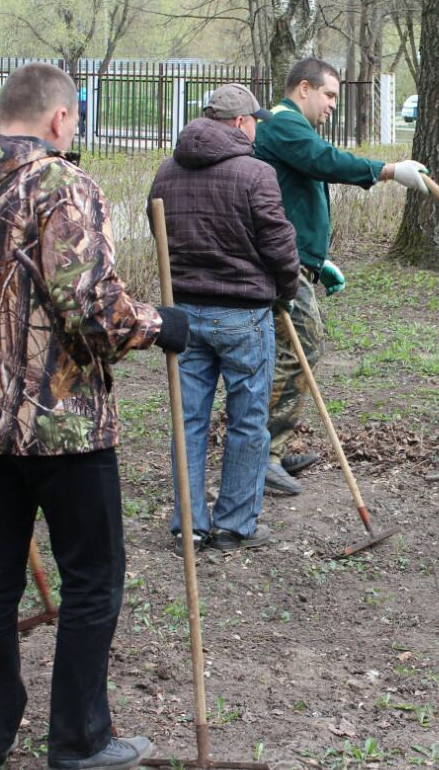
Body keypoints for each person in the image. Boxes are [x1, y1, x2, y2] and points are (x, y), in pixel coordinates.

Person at [0, 62, 188, 770]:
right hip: (64, 428)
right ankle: (79, 738)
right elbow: (95, 311)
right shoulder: (61, 184)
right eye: (75, 120)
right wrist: (159, 323)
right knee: (93, 575)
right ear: (60, 118)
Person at [252, 57, 428, 495]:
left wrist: (317, 258)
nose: (333, 104)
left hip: (296, 259)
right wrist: (387, 170)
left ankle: (268, 449)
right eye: (329, 95)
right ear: (304, 88)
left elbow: (299, 189)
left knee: (287, 352)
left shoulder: (294, 128)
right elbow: (324, 161)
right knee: (302, 348)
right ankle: (261, 457)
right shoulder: (282, 123)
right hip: (281, 264)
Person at [148, 83, 299, 552]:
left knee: (188, 420)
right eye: (254, 120)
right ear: (239, 122)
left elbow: (157, 231)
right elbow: (277, 243)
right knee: (248, 420)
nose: (256, 129)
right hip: (243, 317)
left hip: (185, 315)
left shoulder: (166, 171)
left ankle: (190, 527)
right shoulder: (255, 173)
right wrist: (286, 290)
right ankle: (236, 525)